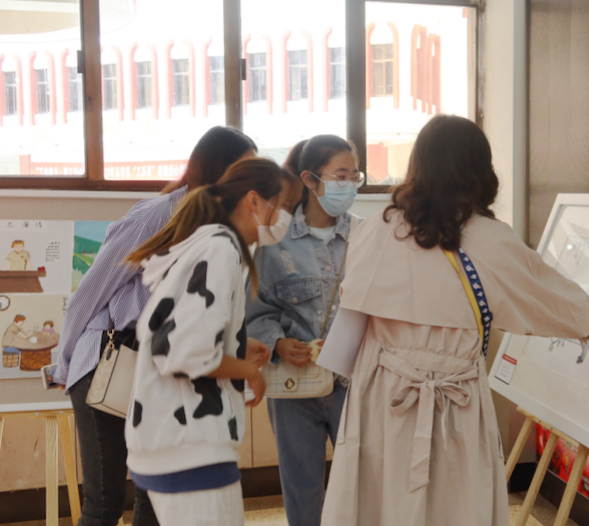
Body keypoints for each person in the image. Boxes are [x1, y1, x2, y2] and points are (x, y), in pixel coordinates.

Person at [318, 115, 589, 526]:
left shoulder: (378, 228)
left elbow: (354, 313)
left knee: (380, 498)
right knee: (453, 502)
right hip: (455, 401)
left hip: (381, 395)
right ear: (479, 169)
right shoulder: (489, 238)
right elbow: (550, 300)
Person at [52, 126, 264, 526]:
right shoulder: (157, 214)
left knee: (157, 501)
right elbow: (90, 294)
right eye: (242, 170)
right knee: (104, 503)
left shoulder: (222, 230)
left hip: (160, 373)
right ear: (215, 169)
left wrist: (238, 345)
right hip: (107, 367)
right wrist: (64, 366)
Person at [123, 157, 295, 526]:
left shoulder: (209, 243)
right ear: (253, 200)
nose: (285, 218)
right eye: (281, 206)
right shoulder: (221, 248)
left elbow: (180, 332)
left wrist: (237, 345)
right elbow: (182, 351)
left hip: (174, 438)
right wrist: (248, 371)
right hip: (190, 442)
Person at [245, 135, 364, 526]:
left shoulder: (367, 237)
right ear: (310, 180)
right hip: (294, 386)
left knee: (363, 487)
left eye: (355, 176)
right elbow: (257, 312)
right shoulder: (274, 243)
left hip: (356, 385)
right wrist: (278, 342)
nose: (349, 185)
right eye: (340, 176)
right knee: (302, 490)